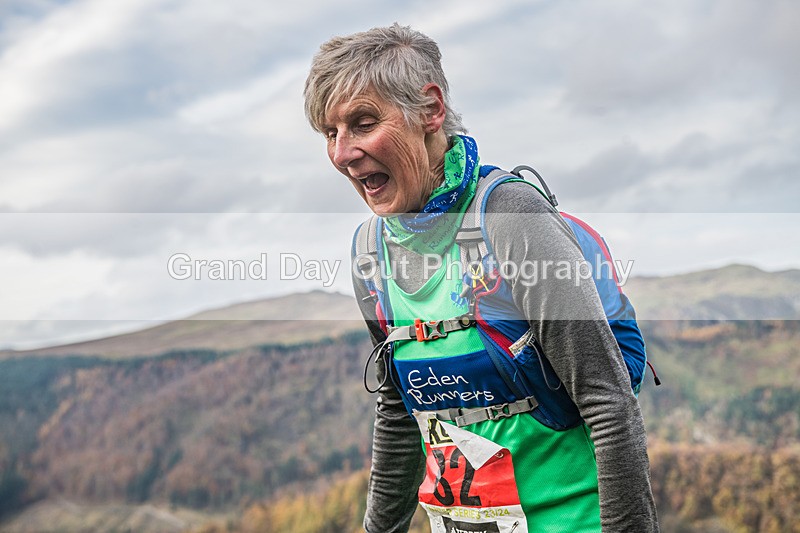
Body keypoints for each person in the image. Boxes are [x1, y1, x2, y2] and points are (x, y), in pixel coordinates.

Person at [304, 23, 659, 533]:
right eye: (330, 134)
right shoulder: (369, 252)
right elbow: (400, 413)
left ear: (430, 110)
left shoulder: (511, 217)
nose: (341, 154)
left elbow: (607, 401)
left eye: (362, 123)